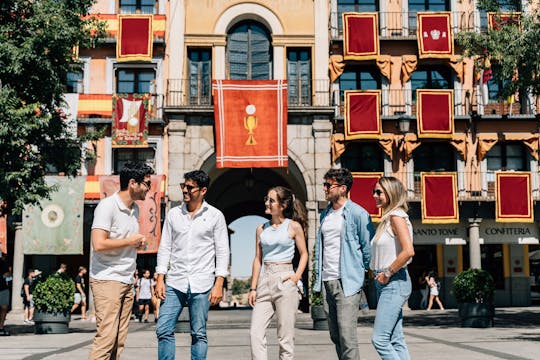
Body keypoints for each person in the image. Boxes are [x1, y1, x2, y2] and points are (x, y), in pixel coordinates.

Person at [155, 170, 229, 360]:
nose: (185, 191)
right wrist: (160, 278)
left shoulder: (215, 216)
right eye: (183, 186)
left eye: (190, 187)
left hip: (202, 282)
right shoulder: (173, 214)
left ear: (203, 190)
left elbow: (222, 251)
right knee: (163, 329)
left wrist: (218, 283)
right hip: (175, 281)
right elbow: (165, 247)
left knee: (198, 333)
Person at [88, 161, 154, 360]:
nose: (148, 189)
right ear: (133, 183)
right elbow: (98, 244)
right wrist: (129, 241)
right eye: (146, 184)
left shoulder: (134, 209)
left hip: (126, 280)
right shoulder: (107, 206)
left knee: (118, 340)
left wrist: (135, 244)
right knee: (106, 339)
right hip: (107, 278)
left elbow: (122, 243)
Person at [313, 168, 374, 360]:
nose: (325, 189)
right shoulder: (325, 214)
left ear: (343, 188)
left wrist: (359, 272)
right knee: (335, 335)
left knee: (347, 336)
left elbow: (367, 249)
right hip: (327, 280)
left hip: (347, 282)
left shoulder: (358, 213)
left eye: (328, 185)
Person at [248, 186, 308, 359]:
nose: (266, 203)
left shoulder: (293, 226)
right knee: (255, 333)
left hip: (285, 278)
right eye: (267, 199)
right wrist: (253, 288)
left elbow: (304, 254)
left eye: (271, 200)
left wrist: (296, 276)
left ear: (282, 206)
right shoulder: (261, 229)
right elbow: (258, 259)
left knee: (285, 337)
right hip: (265, 279)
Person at [370, 176, 415, 359]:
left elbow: (408, 251)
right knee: (396, 339)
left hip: (394, 281)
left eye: (379, 192)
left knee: (379, 339)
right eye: (374, 191)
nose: (374, 195)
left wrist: (387, 273)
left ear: (391, 193)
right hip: (386, 282)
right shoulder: (388, 218)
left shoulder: (397, 216)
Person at [0, 253, 10, 336]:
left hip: (3, 288)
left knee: (4, 307)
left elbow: (8, 274)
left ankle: (1, 327)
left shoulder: (2, 262)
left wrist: (7, 275)